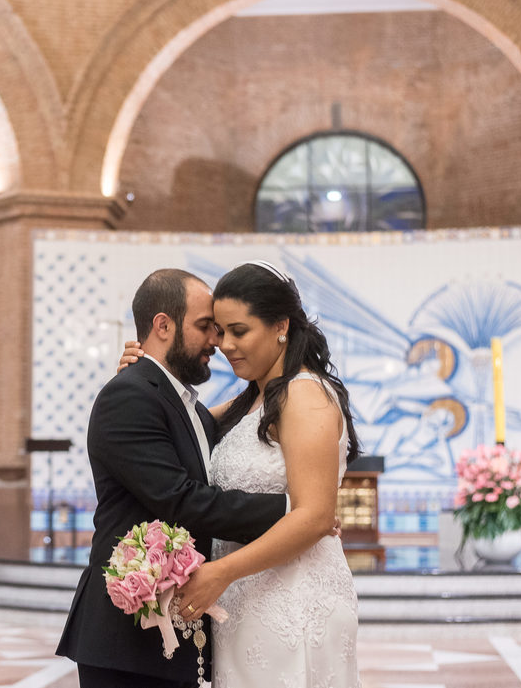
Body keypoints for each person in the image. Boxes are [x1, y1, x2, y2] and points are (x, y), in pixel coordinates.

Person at [123, 261, 362, 687]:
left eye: (238, 330)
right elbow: (177, 422)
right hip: (245, 600)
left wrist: (222, 572)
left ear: (280, 327)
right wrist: (142, 379)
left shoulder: (304, 395)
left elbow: (314, 516)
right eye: (217, 329)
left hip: (292, 597)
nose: (223, 343)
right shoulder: (252, 401)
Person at [56, 268, 289, 688]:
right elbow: (183, 499)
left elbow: (230, 424)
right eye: (205, 327)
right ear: (163, 325)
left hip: (174, 633)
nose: (216, 343)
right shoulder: (129, 396)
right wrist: (293, 511)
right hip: (126, 639)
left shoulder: (184, 403)